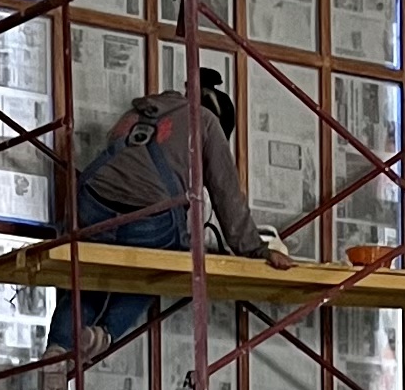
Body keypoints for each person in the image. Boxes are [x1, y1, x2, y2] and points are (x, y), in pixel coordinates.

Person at [61, 64, 292, 359]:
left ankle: (57, 348)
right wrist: (256, 249)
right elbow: (226, 193)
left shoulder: (139, 112)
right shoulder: (206, 122)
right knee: (158, 267)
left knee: (87, 273)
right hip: (146, 216)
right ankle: (104, 334)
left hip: (89, 205)